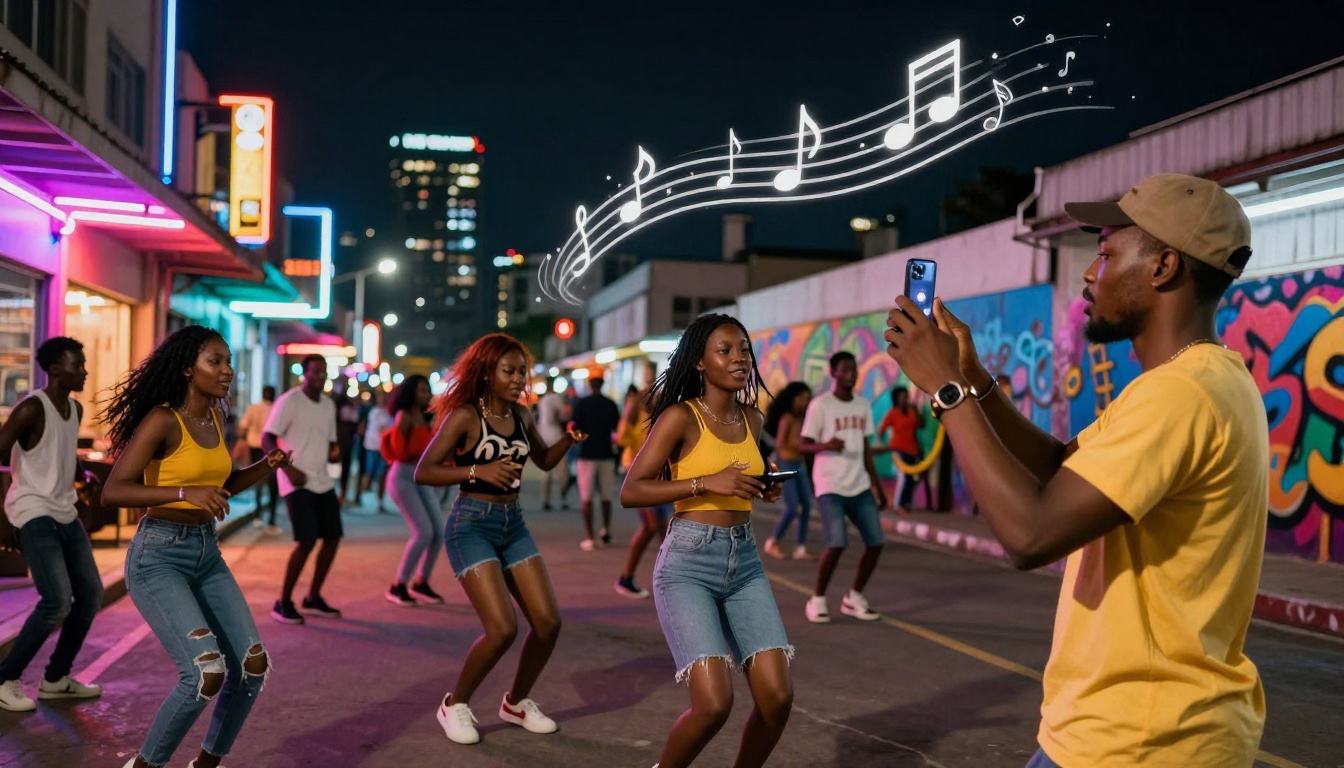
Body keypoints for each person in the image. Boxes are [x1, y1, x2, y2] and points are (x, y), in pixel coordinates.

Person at [884, 174, 1267, 768]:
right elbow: (1067, 469)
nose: (1091, 273)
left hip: (1137, 741)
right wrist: (978, 382)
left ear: (1164, 267)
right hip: (1148, 732)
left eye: (1108, 253)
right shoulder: (1202, 381)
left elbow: (1030, 535)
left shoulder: (1180, 395)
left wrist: (947, 390)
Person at [101, 325, 287, 768]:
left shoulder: (217, 418)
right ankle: (146, 765)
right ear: (188, 368)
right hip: (159, 555)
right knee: (205, 673)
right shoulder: (163, 419)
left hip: (207, 553)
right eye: (215, 361)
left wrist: (266, 465)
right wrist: (184, 493)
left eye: (228, 362)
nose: (227, 371)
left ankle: (206, 763)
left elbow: (221, 487)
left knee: (252, 665)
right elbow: (115, 491)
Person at [620, 313, 792, 768]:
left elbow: (744, 482)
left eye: (744, 349)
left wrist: (765, 486)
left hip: (745, 563)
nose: (739, 358)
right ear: (699, 362)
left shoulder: (753, 420)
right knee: (714, 704)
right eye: (725, 350)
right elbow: (631, 490)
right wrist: (704, 484)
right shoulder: (681, 417)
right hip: (688, 564)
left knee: (776, 698)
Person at [414, 333, 585, 746]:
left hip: (513, 524)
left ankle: (517, 702)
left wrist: (568, 441)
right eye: (507, 371)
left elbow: (542, 459)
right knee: (502, 628)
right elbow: (425, 471)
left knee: (547, 623)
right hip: (470, 525)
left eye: (521, 371)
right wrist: (476, 473)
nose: (517, 378)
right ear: (487, 373)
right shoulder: (466, 417)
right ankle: (454, 704)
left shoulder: (523, 416)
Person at [0, 337, 104, 713]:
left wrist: (82, 475)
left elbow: (60, 452)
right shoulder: (31, 409)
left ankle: (56, 679)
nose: (84, 371)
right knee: (57, 600)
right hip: (32, 511)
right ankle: (4, 679)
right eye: (78, 365)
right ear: (56, 369)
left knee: (91, 594)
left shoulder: (74, 409)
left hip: (65, 511)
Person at [800, 351, 888, 624]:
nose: (852, 374)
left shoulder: (862, 405)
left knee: (876, 542)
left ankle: (854, 597)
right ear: (833, 373)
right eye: (846, 370)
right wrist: (824, 446)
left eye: (854, 370)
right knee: (837, 542)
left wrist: (878, 486)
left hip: (859, 483)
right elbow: (802, 444)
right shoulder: (820, 405)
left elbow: (865, 447)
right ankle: (817, 599)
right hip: (830, 484)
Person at [264, 355, 343, 625]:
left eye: (324, 372)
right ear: (305, 374)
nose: (320, 377)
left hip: (322, 480)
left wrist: (333, 454)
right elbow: (267, 437)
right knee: (306, 540)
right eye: (316, 372)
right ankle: (283, 601)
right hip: (296, 480)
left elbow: (329, 442)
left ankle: (313, 596)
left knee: (332, 537)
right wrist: (286, 468)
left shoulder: (329, 405)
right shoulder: (289, 401)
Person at [382, 374, 446, 607]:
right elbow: (399, 452)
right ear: (410, 392)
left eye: (427, 390)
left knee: (439, 532)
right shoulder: (404, 416)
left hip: (421, 478)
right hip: (402, 478)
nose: (426, 394)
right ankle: (398, 585)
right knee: (424, 532)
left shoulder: (426, 416)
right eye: (421, 390)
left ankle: (421, 582)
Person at [613, 361, 671, 599]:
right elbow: (622, 439)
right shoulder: (636, 412)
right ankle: (626, 578)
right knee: (652, 526)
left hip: (661, 478)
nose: (651, 389)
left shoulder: (664, 415)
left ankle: (670, 578)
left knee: (665, 531)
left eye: (654, 385)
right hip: (640, 476)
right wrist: (629, 410)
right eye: (648, 383)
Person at [760, 382, 815, 560]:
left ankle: (800, 547)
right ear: (792, 399)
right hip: (786, 464)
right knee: (792, 508)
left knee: (806, 505)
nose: (805, 402)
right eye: (802, 399)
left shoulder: (804, 419)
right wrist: (803, 446)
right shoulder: (788, 418)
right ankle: (773, 541)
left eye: (808, 399)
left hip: (800, 465)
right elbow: (781, 444)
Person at [570, 376, 621, 550]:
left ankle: (590, 537)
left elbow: (573, 426)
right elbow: (616, 428)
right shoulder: (610, 404)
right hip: (606, 454)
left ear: (590, 386)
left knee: (587, 498)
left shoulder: (582, 404)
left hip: (587, 455)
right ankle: (605, 532)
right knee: (606, 497)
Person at [875, 386, 930, 514]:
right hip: (898, 449)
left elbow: (921, 425)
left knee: (912, 478)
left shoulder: (911, 411)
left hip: (913, 449)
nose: (905, 398)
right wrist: (880, 444)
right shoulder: (893, 413)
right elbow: (881, 429)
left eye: (906, 395)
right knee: (904, 477)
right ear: (897, 398)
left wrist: (917, 412)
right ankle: (898, 504)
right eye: (902, 396)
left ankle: (906, 503)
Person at [238, 386, 280, 532]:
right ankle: (272, 519)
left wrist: (242, 439)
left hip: (255, 446)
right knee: (272, 482)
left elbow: (242, 426)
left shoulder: (253, 408)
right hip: (271, 448)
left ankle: (258, 515)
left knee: (258, 480)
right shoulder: (277, 408)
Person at [535, 377, 571, 510]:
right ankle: (563, 499)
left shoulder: (542, 400)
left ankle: (545, 499)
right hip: (555, 434)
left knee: (546, 470)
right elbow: (563, 416)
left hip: (543, 435)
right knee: (562, 470)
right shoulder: (556, 399)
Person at [361, 388, 393, 513]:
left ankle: (380, 500)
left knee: (381, 475)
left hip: (384, 448)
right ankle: (363, 492)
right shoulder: (374, 412)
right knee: (369, 471)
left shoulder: (388, 412)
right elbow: (376, 429)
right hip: (372, 447)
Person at [334, 390, 361, 505]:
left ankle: (341, 494)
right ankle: (341, 494)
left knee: (344, 469)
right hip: (341, 442)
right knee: (343, 469)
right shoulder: (344, 411)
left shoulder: (345, 410)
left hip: (344, 442)